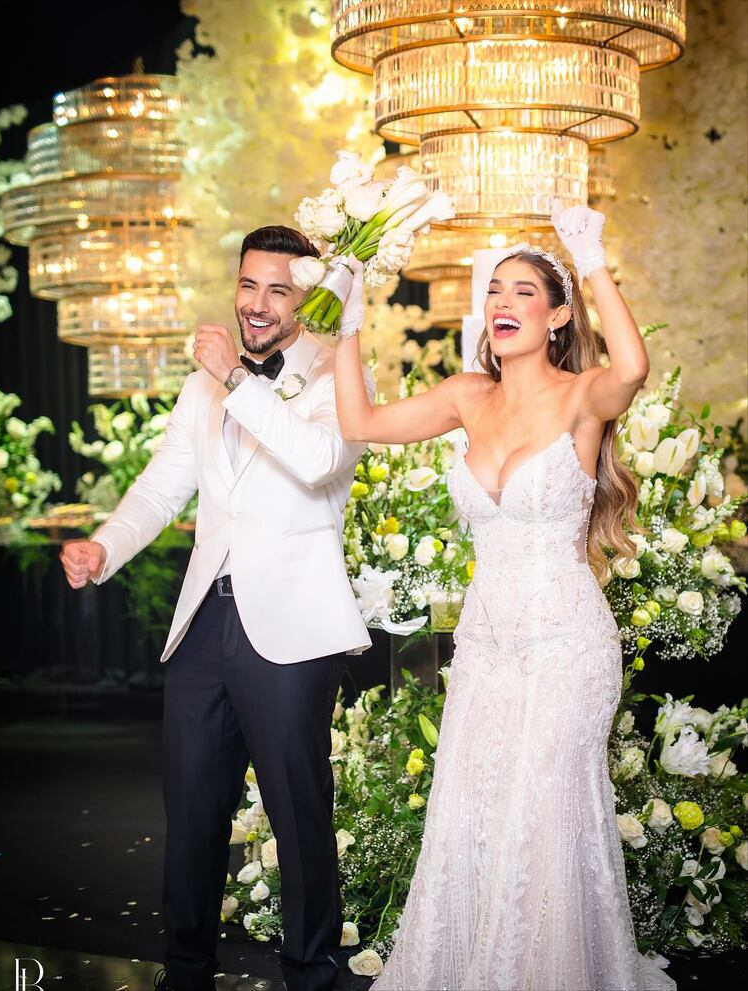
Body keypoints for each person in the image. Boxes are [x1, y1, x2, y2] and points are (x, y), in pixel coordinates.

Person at [331, 201, 676, 990]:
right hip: (486, 649)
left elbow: (632, 367)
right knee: (474, 813)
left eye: (524, 293)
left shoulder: (584, 396)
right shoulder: (465, 396)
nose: (502, 304)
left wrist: (589, 253)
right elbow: (359, 419)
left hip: (567, 649)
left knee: (544, 820)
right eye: (495, 293)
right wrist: (348, 318)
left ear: (556, 317)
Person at [59, 225, 373, 991]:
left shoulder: (337, 375)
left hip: (292, 627)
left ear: (306, 298)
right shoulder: (203, 382)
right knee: (193, 806)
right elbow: (166, 483)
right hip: (206, 621)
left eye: (279, 289)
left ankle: (313, 972)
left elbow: (318, 461)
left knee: (299, 814)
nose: (258, 304)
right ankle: (186, 971)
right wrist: (106, 546)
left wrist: (238, 379)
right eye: (248, 285)